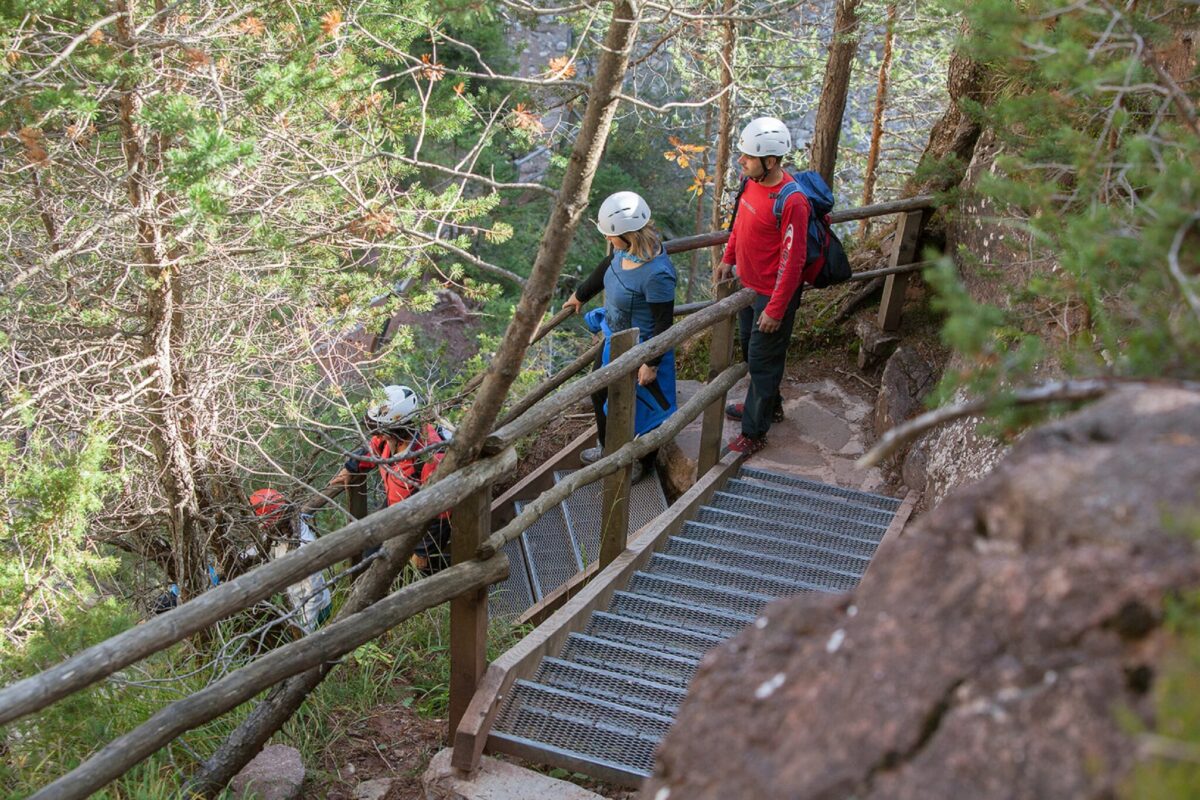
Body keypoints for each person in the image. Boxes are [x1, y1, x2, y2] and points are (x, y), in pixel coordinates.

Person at [715, 116, 819, 455]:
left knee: (763, 361)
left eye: (747, 156)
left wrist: (775, 308)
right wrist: (729, 258)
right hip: (749, 287)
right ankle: (768, 404)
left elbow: (793, 261)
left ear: (770, 161)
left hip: (773, 297)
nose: (741, 161)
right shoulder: (750, 183)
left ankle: (754, 433)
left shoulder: (792, 202)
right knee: (751, 351)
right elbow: (739, 227)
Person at [563, 191, 678, 483]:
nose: (607, 241)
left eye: (610, 235)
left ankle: (642, 462)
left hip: (643, 350)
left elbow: (663, 323)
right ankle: (609, 450)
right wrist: (580, 295)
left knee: (646, 410)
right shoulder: (624, 251)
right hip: (614, 344)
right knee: (601, 392)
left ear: (629, 235)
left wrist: (651, 363)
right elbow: (607, 267)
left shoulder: (656, 274)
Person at [313, 385, 452, 574]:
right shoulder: (389, 439)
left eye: (380, 431)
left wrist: (422, 551)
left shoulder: (429, 456)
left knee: (415, 573)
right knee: (370, 556)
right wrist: (351, 468)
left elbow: (440, 512)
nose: (377, 435)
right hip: (395, 506)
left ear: (399, 428)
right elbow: (371, 449)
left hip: (420, 520)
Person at [250, 488, 333, 634]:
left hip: (314, 609)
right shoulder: (279, 531)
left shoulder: (304, 548)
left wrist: (304, 630)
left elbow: (315, 594)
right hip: (295, 603)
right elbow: (260, 545)